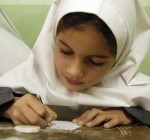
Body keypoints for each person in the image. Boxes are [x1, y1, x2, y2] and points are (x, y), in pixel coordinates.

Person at [0, 0, 150, 128]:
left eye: (96, 62)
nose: (74, 71)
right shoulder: (30, 75)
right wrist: (8, 105)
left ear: (119, 58)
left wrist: (130, 114)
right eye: (65, 51)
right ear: (53, 41)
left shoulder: (137, 91)